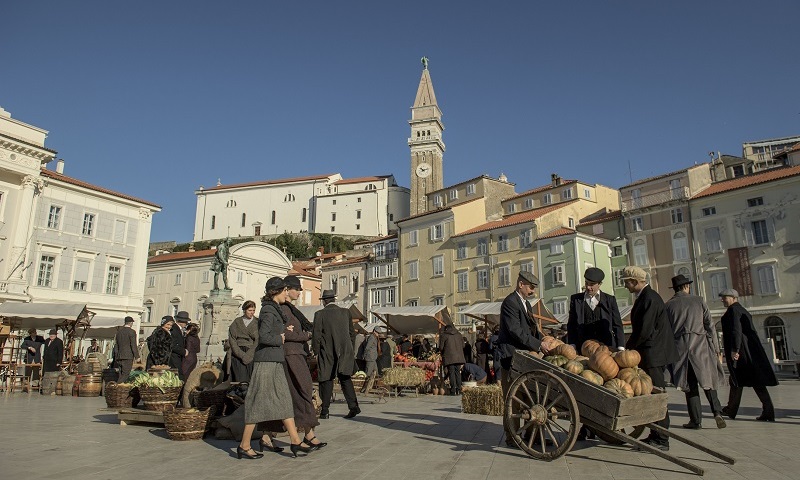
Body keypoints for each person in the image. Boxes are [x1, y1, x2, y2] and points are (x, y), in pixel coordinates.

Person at [237, 277, 312, 460]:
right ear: (276, 292)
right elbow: (263, 336)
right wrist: (281, 338)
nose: (287, 293)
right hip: (266, 362)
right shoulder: (268, 310)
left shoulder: (275, 309)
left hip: (275, 360)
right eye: (284, 290)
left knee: (284, 401)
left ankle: (295, 440)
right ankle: (244, 445)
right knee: (257, 403)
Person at [623, 266, 678, 451]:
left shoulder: (649, 298)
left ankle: (662, 438)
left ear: (635, 281)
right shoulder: (646, 297)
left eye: (627, 282)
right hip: (652, 353)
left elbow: (644, 330)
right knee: (653, 395)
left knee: (657, 396)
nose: (625, 285)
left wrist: (627, 349)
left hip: (654, 354)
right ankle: (656, 434)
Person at [665, 275, 726, 429]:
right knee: (708, 382)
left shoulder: (669, 305)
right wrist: (716, 348)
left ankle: (696, 420)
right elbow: (710, 326)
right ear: (687, 286)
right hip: (701, 345)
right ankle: (717, 412)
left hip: (680, 347)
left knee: (690, 385)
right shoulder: (698, 301)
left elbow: (666, 331)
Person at [497, 271, 548, 447]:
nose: (533, 291)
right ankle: (512, 436)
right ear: (521, 284)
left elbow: (531, 329)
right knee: (513, 399)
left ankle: (530, 434)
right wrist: (538, 345)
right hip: (511, 357)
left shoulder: (525, 303)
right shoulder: (510, 303)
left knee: (528, 398)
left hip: (525, 358)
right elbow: (515, 330)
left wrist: (543, 339)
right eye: (531, 287)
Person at [281, 275, 326, 450]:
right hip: (291, 355)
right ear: (287, 289)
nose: (300, 292)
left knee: (300, 393)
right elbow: (285, 334)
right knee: (302, 391)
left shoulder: (291, 309)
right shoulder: (284, 310)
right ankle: (308, 434)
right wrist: (306, 335)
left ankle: (308, 434)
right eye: (297, 289)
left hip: (296, 354)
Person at [718, 289, 778, 422]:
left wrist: (735, 349)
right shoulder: (742, 310)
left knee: (737, 380)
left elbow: (736, 330)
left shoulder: (734, 310)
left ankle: (731, 410)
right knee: (753, 382)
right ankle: (767, 411)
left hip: (743, 353)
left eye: (725, 297)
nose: (722, 299)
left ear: (734, 297)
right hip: (750, 352)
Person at [313, 289, 360, 420]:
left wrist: (316, 352)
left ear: (324, 301)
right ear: (333, 300)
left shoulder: (320, 314)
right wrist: (349, 348)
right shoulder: (345, 313)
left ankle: (325, 411)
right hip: (345, 351)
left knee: (326, 380)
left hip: (327, 351)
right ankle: (353, 406)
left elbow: (316, 336)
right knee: (345, 379)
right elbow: (352, 333)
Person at [567, 267, 625, 351]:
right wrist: (572, 344)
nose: (588, 287)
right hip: (583, 347)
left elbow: (617, 324)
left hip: (606, 347)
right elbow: (571, 324)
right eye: (586, 283)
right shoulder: (576, 300)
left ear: (599, 284)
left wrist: (620, 347)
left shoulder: (610, 300)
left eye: (591, 284)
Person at [228, 300, 259, 383]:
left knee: (251, 380)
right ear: (244, 310)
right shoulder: (237, 322)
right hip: (238, 353)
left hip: (251, 352)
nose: (252, 313)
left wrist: (249, 355)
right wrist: (241, 355)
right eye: (250, 310)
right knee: (239, 379)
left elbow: (258, 340)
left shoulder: (257, 322)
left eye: (253, 310)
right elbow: (232, 340)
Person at [440, 324, 466, 395]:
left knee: (451, 372)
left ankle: (453, 389)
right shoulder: (459, 334)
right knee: (458, 372)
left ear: (446, 329)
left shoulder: (444, 335)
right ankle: (459, 389)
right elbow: (463, 345)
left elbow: (441, 347)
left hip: (449, 356)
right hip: (459, 357)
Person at [115, 316, 140, 382]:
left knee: (121, 374)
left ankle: (120, 390)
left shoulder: (119, 332)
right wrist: (137, 356)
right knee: (126, 374)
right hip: (128, 356)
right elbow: (133, 345)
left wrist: (116, 356)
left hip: (119, 356)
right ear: (131, 323)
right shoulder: (132, 332)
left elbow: (116, 345)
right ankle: (116, 386)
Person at [171, 311, 190, 379]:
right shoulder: (174, 329)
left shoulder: (178, 329)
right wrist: (184, 351)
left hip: (177, 357)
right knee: (178, 376)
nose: (186, 323)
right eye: (186, 322)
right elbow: (173, 345)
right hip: (174, 357)